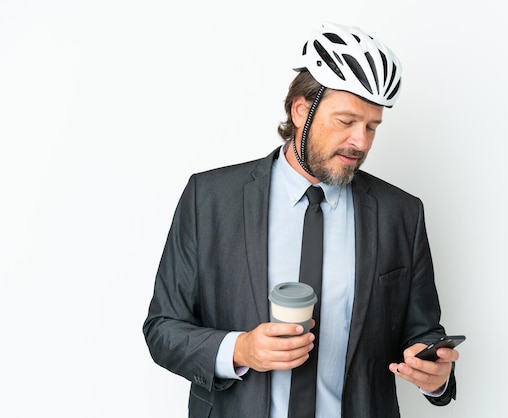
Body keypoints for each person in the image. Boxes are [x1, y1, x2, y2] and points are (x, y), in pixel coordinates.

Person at [143, 21, 460, 417]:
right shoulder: (208, 199)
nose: (361, 142)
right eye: (346, 122)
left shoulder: (401, 213)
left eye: (372, 127)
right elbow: (162, 329)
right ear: (299, 111)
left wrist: (435, 374)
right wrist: (240, 350)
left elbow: (422, 332)